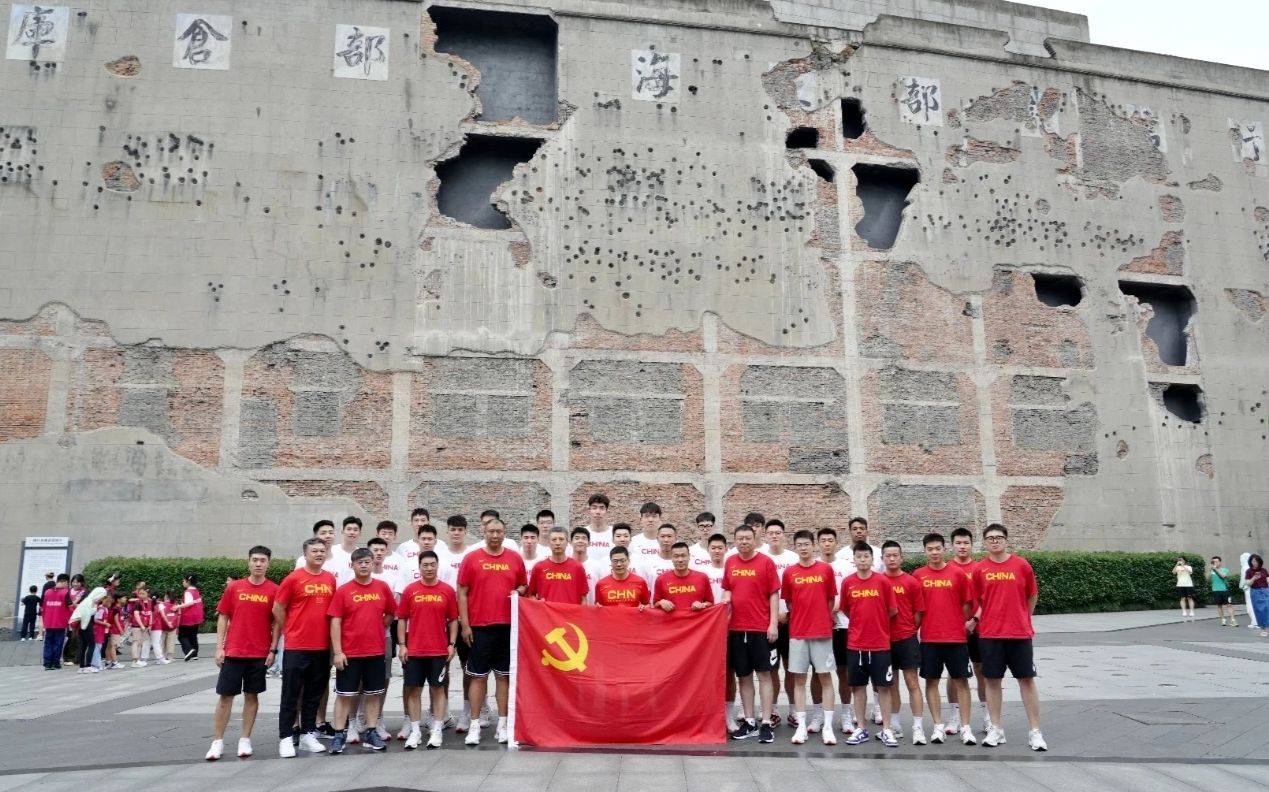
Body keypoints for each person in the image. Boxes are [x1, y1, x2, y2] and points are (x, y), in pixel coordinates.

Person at [974, 524, 1046, 751]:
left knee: (1026, 679)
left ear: (1006, 540)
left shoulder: (1021, 565)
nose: (995, 541)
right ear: (985, 542)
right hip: (990, 634)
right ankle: (996, 728)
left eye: (999, 537)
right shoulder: (979, 569)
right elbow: (979, 601)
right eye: (990, 538)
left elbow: (1032, 595)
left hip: (1019, 633)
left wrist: (1025, 619)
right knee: (992, 681)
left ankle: (1035, 731)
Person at [457, 517, 527, 746]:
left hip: (507, 627)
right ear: (483, 532)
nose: (495, 535)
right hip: (479, 627)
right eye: (491, 531)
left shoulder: (514, 558)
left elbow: (524, 585)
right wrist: (465, 625)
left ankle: (503, 724)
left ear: (505, 532)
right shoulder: (472, 558)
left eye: (499, 531)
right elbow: (462, 592)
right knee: (478, 677)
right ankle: (475, 725)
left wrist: (519, 589)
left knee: (503, 676)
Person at [206, 546, 280, 761]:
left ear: (268, 564)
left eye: (263, 560)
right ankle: (217, 741)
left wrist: (273, 649)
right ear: (248, 562)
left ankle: (245, 739)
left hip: (259, 653)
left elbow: (277, 623)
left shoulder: (274, 590)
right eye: (255, 560)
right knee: (225, 696)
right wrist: (220, 647)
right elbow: (223, 617)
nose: (258, 563)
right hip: (234, 652)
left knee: (252, 695)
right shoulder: (235, 588)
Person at [327, 547, 396, 754]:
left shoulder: (382, 587)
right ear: (353, 565)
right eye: (360, 562)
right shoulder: (344, 591)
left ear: (373, 563)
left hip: (375, 651)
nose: (364, 565)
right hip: (350, 653)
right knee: (345, 695)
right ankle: (339, 733)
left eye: (368, 562)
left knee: (373, 693)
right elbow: (335, 622)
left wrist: (377, 627)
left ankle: (371, 731)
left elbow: (391, 613)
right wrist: (338, 652)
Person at [273, 537, 336, 758]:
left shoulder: (330, 579)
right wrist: (289, 629)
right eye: (314, 551)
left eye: (322, 550)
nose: (319, 554)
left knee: (314, 693)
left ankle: (309, 732)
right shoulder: (293, 578)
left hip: (321, 646)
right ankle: (286, 737)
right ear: (305, 554)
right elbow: (278, 608)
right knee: (291, 694)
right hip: (296, 646)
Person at [913, 532, 977, 746]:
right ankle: (938, 726)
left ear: (944, 549)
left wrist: (959, 622)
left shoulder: (957, 574)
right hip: (930, 638)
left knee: (962, 682)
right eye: (930, 549)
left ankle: (966, 728)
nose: (934, 553)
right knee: (931, 682)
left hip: (956, 638)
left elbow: (967, 603)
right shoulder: (918, 575)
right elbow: (916, 608)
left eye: (937, 548)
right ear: (925, 551)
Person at [723, 524, 779, 744]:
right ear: (734, 540)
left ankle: (766, 722)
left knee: (764, 675)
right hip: (736, 629)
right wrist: (725, 602)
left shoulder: (766, 562)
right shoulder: (731, 562)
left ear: (755, 539)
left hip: (760, 628)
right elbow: (728, 588)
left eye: (747, 538)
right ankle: (749, 721)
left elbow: (774, 594)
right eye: (739, 538)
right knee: (743, 677)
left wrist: (773, 623)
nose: (743, 542)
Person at [781, 529, 838, 746]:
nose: (803, 548)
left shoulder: (825, 570)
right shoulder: (789, 572)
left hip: (822, 632)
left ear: (813, 545)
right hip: (798, 633)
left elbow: (830, 600)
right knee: (798, 679)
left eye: (807, 544)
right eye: (799, 545)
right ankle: (802, 726)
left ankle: (828, 727)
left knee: (825, 678)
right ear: (795, 547)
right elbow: (789, 603)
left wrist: (820, 617)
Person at [398, 550, 459, 749]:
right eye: (425, 565)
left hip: (438, 651)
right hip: (414, 651)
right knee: (414, 690)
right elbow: (402, 619)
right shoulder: (410, 590)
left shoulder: (447, 591)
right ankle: (415, 731)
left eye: (433, 564)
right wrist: (402, 645)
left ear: (437, 565)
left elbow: (453, 620)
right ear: (420, 567)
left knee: (438, 690)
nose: (429, 568)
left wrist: (452, 644)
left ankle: (437, 730)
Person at [839, 542, 897, 747]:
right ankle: (861, 728)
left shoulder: (882, 582)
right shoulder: (848, 583)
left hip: (880, 644)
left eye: (866, 556)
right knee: (858, 687)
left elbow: (891, 610)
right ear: (853, 560)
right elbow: (846, 610)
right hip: (856, 644)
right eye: (859, 557)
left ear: (873, 560)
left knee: (883, 687)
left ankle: (887, 729)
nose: (863, 560)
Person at [881, 540, 925, 744]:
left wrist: (909, 630)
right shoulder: (878, 581)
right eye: (888, 555)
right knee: (890, 684)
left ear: (901, 557)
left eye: (895, 555)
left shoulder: (911, 582)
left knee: (912, 683)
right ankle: (894, 724)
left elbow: (918, 613)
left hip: (906, 638)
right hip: (884, 641)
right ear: (882, 558)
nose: (892, 559)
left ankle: (918, 726)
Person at [810, 526, 852, 734]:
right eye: (823, 540)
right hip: (818, 627)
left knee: (844, 671)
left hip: (843, 625)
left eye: (830, 540)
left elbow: (851, 594)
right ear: (818, 544)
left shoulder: (846, 566)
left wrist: (835, 609)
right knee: (818, 673)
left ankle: (846, 714)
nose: (827, 544)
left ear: (836, 542)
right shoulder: (813, 567)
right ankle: (818, 714)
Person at [948, 526, 987, 734]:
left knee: (982, 672)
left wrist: (974, 620)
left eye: (966, 543)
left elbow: (984, 598)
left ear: (972, 545)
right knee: (955, 675)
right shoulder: (946, 569)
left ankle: (987, 716)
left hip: (978, 628)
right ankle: (954, 717)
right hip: (954, 632)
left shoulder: (980, 568)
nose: (962, 547)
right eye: (958, 543)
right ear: (952, 545)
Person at [762, 519, 800, 727]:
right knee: (771, 670)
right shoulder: (761, 559)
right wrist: (772, 617)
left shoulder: (793, 559)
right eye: (771, 533)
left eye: (778, 532)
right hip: (770, 623)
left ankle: (794, 710)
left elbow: (798, 593)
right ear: (765, 536)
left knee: (792, 668)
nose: (774, 536)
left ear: (784, 535)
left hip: (793, 621)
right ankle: (774, 709)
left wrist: (789, 613)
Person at [527, 527, 589, 604]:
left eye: (561, 539)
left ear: (567, 543)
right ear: (548, 543)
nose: (558, 543)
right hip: (546, 615)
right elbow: (531, 595)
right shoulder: (539, 567)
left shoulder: (577, 567)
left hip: (571, 615)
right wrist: (538, 604)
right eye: (554, 540)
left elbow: (583, 598)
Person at [653, 541, 713, 612]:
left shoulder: (702, 577)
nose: (680, 560)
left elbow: (711, 602)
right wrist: (661, 602)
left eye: (683, 556)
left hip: (696, 622)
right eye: (676, 556)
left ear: (689, 556)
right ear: (671, 558)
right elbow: (655, 604)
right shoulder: (661, 579)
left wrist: (702, 605)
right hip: (671, 622)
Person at [174, 573, 205, 660]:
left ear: (188, 581)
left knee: (181, 636)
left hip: (188, 617)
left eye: (183, 580)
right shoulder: (196, 590)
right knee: (193, 635)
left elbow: (190, 603)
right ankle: (195, 654)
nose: (182, 582)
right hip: (197, 616)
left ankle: (189, 650)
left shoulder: (188, 592)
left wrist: (178, 606)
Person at [396, 509, 430, 585]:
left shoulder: (440, 545)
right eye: (416, 520)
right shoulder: (403, 547)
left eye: (423, 520)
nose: (419, 524)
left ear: (428, 522)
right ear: (411, 523)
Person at [1209, 556, 1237, 627]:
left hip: (1225, 590)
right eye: (1213, 562)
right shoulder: (1212, 571)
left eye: (1216, 561)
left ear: (1220, 562)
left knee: (1229, 605)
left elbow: (1223, 576)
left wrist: (1215, 569)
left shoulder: (1224, 569)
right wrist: (1210, 570)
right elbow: (1208, 579)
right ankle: (1223, 620)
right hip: (1215, 590)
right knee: (1219, 606)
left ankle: (1233, 620)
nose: (1215, 563)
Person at [1245, 554, 1268, 637]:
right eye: (1253, 561)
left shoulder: (1264, 570)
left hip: (1265, 590)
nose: (1255, 563)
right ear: (1250, 562)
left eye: (1256, 561)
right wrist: (1254, 578)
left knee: (1267, 608)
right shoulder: (1249, 571)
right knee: (1259, 611)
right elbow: (1247, 583)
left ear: (1259, 562)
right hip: (1255, 591)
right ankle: (1263, 629)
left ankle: (1266, 628)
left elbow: (1268, 580)